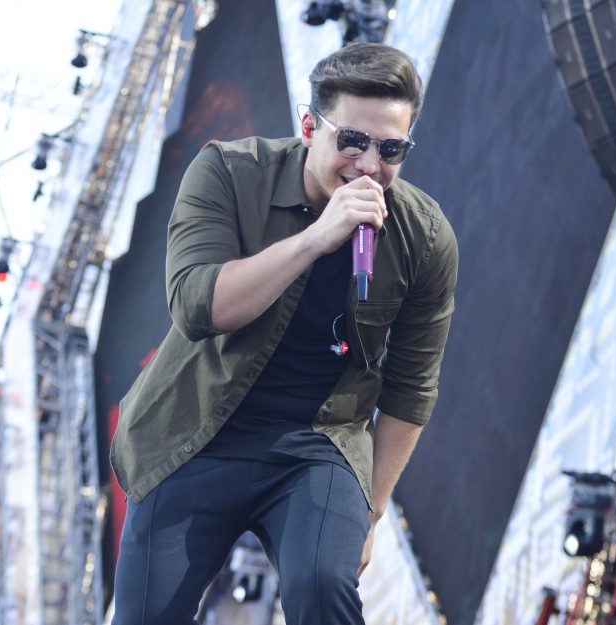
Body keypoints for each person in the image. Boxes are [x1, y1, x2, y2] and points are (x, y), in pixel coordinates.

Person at [110, 42, 458, 624]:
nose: (369, 166)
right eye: (353, 141)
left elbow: (412, 388)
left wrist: (372, 513)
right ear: (309, 127)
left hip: (319, 444)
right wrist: (317, 238)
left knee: (324, 585)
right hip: (194, 431)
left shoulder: (423, 237)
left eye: (391, 149)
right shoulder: (227, 172)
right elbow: (198, 306)